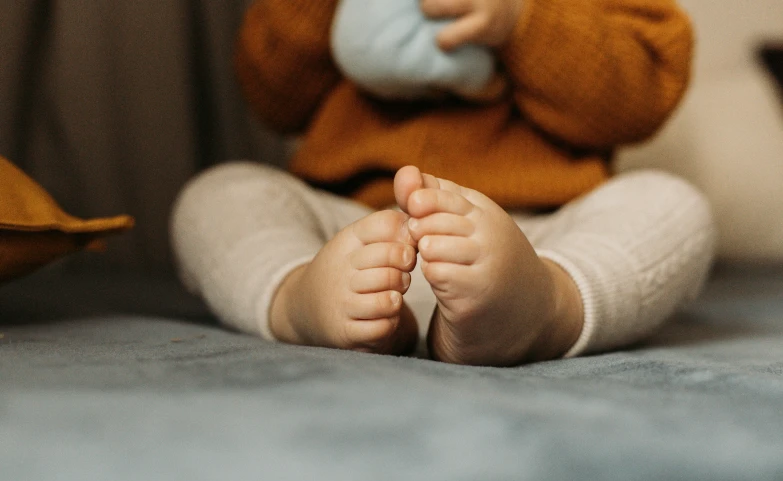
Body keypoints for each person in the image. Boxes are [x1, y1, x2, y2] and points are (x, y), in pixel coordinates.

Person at [170, 0, 716, 366]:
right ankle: (301, 299)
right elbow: (272, 97)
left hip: (538, 237)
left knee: (671, 204)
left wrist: (522, 21)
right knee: (217, 194)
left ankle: (547, 306)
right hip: (352, 234)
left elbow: (642, 96)